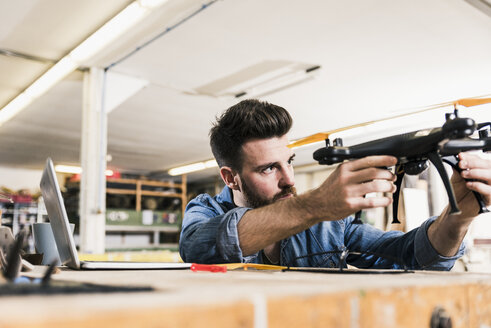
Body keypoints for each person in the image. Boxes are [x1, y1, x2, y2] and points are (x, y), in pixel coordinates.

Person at [179, 99, 491, 270]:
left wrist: (458, 216)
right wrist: (315, 204)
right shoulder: (205, 211)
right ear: (230, 177)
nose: (289, 180)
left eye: (288, 161)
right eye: (268, 169)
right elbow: (195, 245)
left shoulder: (327, 227)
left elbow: (412, 256)